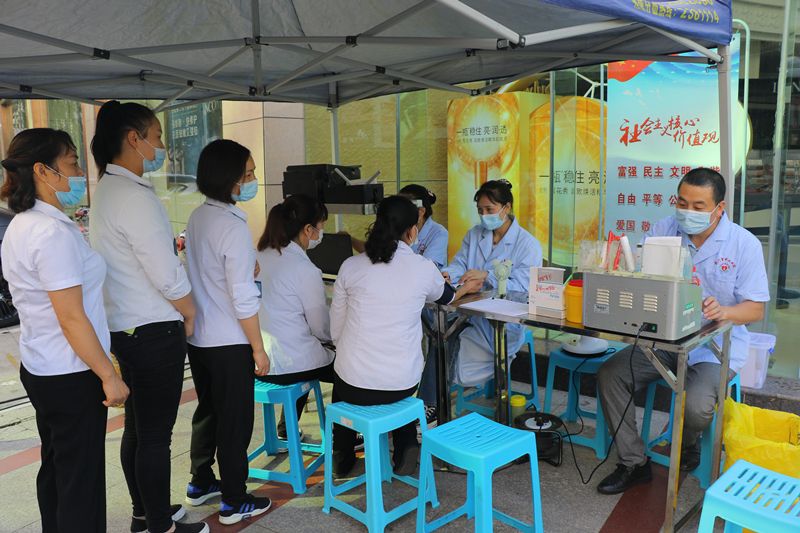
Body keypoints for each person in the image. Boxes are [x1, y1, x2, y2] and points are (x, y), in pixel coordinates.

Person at [596, 168, 769, 495]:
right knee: (611, 374)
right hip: (665, 339)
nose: (688, 212)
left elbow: (755, 309)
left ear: (719, 207)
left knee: (695, 407)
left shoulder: (743, 244)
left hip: (713, 347)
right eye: (682, 203)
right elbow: (646, 282)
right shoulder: (663, 230)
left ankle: (689, 443)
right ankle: (633, 461)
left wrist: (725, 311)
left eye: (699, 206)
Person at [0, 128, 129, 532]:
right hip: (72, 373)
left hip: (43, 366)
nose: (79, 172)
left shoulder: (23, 224)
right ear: (42, 170)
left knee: (58, 468)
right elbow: (71, 317)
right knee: (80, 481)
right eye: (72, 163)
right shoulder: (50, 232)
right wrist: (109, 375)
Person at [89, 101, 206, 533]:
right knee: (155, 435)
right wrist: (189, 311)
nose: (161, 146)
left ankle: (146, 513)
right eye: (156, 136)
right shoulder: (135, 197)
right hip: (153, 329)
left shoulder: (107, 189)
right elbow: (165, 272)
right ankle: (160, 524)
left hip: (125, 327)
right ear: (133, 139)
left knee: (137, 430)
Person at [330, 196, 481, 478]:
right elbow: (447, 297)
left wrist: (348, 354)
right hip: (401, 382)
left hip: (352, 383)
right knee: (399, 396)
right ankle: (406, 443)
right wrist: (467, 287)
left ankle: (343, 451)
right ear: (412, 231)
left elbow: (336, 329)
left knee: (343, 379)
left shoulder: (350, 266)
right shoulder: (423, 268)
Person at [183, 140, 272, 524]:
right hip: (229, 340)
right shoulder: (233, 225)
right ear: (227, 179)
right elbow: (242, 296)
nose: (252, 181)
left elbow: (208, 271)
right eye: (247, 174)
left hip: (200, 338)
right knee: (235, 421)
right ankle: (235, 500)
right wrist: (258, 348)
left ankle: (201, 480)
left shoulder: (198, 216)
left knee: (208, 411)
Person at [417, 179, 543, 423]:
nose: (484, 216)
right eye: (480, 210)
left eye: (489, 209)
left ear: (506, 208)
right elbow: (460, 264)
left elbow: (524, 288)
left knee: (443, 342)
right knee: (439, 334)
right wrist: (448, 274)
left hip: (499, 324)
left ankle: (431, 406)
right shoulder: (475, 234)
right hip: (468, 312)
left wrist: (488, 276)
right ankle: (431, 405)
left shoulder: (527, 245)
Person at [256, 194, 335, 435]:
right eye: (321, 226)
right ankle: (343, 435)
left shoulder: (258, 255)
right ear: (308, 229)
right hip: (289, 365)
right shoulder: (305, 269)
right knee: (346, 367)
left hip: (258, 361)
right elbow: (321, 327)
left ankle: (286, 427)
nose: (321, 233)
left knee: (306, 348)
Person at [399, 184, 448, 269]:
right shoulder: (397, 229)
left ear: (421, 212)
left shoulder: (439, 233)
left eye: (402, 209)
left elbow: (427, 269)